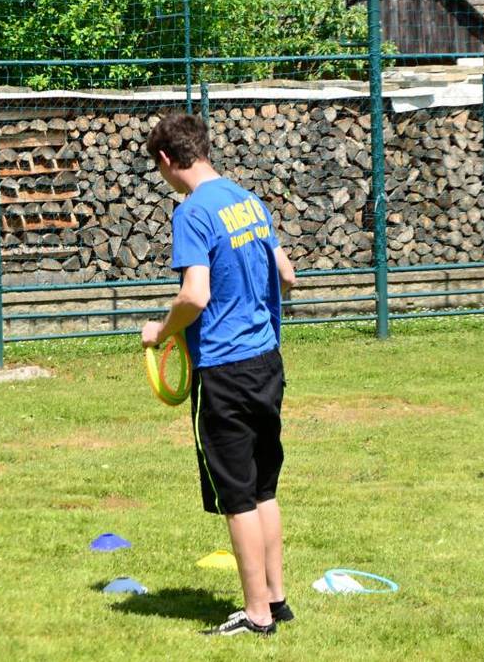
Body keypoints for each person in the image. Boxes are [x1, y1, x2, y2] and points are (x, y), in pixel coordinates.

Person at [140, 113, 297, 636]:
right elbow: (287, 274)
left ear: (166, 160)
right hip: (266, 362)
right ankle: (276, 599)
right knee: (264, 488)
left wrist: (161, 332)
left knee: (237, 497)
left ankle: (255, 615)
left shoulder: (192, 213)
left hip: (224, 369)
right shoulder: (248, 200)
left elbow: (195, 295)